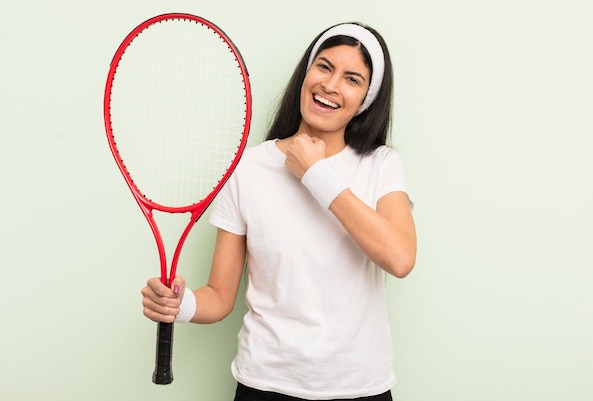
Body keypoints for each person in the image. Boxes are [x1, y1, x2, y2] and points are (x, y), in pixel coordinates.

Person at [141, 21, 417, 401]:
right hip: (265, 385)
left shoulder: (380, 164)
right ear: (306, 74)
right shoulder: (248, 170)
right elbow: (220, 297)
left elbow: (399, 258)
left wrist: (317, 174)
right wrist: (180, 304)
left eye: (352, 79)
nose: (331, 85)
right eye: (324, 66)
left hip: (361, 387)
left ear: (366, 99)